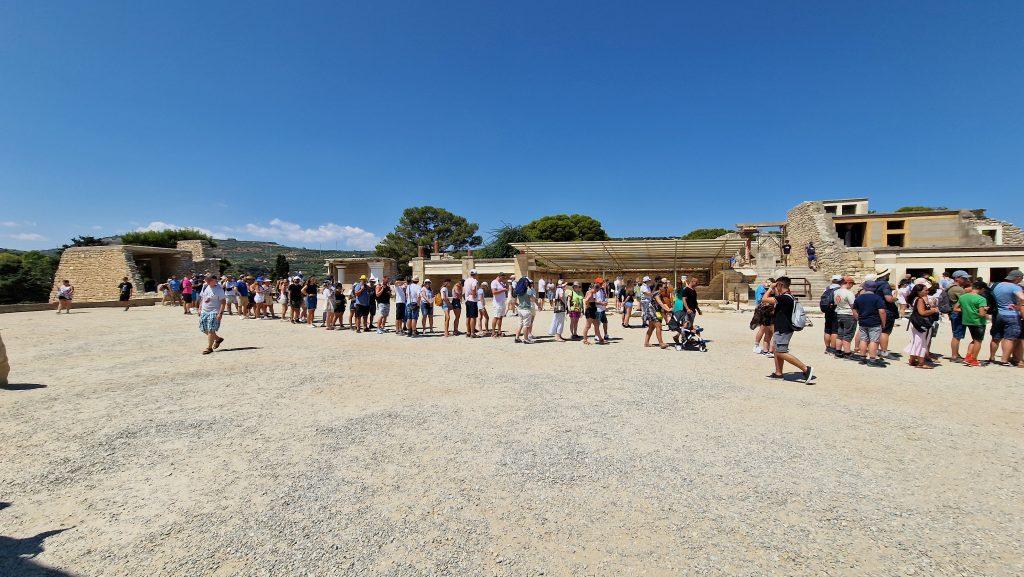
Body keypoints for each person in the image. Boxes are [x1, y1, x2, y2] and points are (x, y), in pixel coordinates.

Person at [763, 277, 815, 383]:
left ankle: (806, 369)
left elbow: (764, 299)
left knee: (781, 352)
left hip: (783, 329)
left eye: (777, 285)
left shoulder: (785, 298)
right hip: (782, 328)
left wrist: (769, 289)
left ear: (781, 285)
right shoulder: (786, 297)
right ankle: (778, 373)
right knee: (777, 351)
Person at [989, 270, 1024, 366]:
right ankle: (1004, 360)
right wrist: (1018, 306)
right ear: (1017, 278)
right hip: (1011, 314)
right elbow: (1022, 298)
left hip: (998, 314)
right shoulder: (1015, 287)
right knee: (1010, 338)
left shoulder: (996, 285)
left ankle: (992, 358)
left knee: (996, 337)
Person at [904, 282, 938, 368]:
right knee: (921, 342)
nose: (927, 291)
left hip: (915, 322)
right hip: (920, 323)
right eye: (925, 290)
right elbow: (922, 312)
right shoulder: (919, 300)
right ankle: (921, 362)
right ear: (919, 291)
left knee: (916, 341)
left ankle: (912, 360)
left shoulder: (916, 299)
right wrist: (933, 310)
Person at [956, 280, 990, 367]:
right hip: (978, 322)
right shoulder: (981, 299)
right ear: (981, 289)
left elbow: (956, 308)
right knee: (978, 341)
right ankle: (973, 359)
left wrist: (967, 311)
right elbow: (982, 314)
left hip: (967, 320)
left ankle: (968, 357)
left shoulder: (963, 297)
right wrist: (986, 309)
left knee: (974, 340)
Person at [852, 282, 887, 367]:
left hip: (863, 322)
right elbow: (882, 311)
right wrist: (883, 323)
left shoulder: (859, 298)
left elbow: (854, 311)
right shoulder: (877, 298)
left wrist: (859, 318)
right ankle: (872, 359)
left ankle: (862, 358)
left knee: (863, 340)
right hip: (874, 322)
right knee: (873, 341)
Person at [197, 273, 227, 355]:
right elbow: (202, 298)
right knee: (203, 328)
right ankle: (217, 339)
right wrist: (199, 308)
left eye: (210, 280)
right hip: (204, 311)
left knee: (210, 330)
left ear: (214, 280)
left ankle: (209, 348)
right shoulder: (205, 286)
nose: (208, 281)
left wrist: (220, 314)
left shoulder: (219, 289)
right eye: (207, 280)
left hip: (214, 311)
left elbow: (223, 302)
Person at [946, 270, 972, 362]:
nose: (966, 280)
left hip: (955, 313)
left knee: (957, 335)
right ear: (957, 278)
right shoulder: (957, 289)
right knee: (957, 335)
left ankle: (955, 354)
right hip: (958, 313)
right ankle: (954, 355)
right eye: (964, 278)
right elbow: (966, 300)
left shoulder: (953, 287)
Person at [833, 275, 857, 359]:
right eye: (852, 284)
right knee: (848, 334)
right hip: (848, 314)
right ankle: (847, 353)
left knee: (840, 334)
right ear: (848, 283)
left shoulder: (836, 292)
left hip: (839, 313)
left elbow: (836, 303)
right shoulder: (849, 293)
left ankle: (838, 351)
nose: (852, 286)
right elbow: (853, 306)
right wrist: (857, 316)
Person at [644, 282, 670, 349]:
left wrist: (668, 309)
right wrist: (668, 309)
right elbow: (660, 303)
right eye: (664, 287)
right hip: (653, 311)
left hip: (655, 312)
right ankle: (661, 343)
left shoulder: (660, 294)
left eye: (666, 287)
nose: (666, 288)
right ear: (660, 287)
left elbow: (663, 304)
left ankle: (646, 343)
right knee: (659, 326)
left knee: (651, 328)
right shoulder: (657, 293)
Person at [752, 278, 775, 355]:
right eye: (767, 282)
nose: (767, 284)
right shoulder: (763, 289)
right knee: (764, 330)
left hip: (768, 312)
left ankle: (766, 349)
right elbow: (760, 299)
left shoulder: (770, 290)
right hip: (765, 312)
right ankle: (757, 346)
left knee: (767, 332)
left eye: (769, 282)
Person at [821, 275, 842, 354]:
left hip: (827, 311)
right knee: (835, 331)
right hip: (835, 311)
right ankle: (833, 348)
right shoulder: (839, 290)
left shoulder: (826, 288)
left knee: (827, 329)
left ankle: (827, 347)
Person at [514, 277, 537, 343]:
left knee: (520, 324)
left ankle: (517, 337)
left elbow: (514, 300)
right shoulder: (528, 290)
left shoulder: (518, 290)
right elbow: (532, 299)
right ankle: (525, 339)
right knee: (526, 325)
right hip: (526, 309)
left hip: (520, 309)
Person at [490, 273, 508, 338]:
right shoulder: (494, 282)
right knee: (496, 317)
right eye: (503, 278)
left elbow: (505, 289)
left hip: (502, 301)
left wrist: (505, 286)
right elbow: (494, 292)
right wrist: (502, 290)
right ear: (499, 276)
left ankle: (499, 331)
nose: (503, 279)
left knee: (500, 317)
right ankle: (493, 332)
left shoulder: (501, 283)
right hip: (497, 303)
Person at [463, 269, 480, 338]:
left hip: (467, 300)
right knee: (473, 317)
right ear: (476, 274)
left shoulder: (466, 280)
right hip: (472, 300)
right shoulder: (474, 281)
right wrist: (474, 295)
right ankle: (472, 333)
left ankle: (468, 332)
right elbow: (473, 289)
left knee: (468, 316)